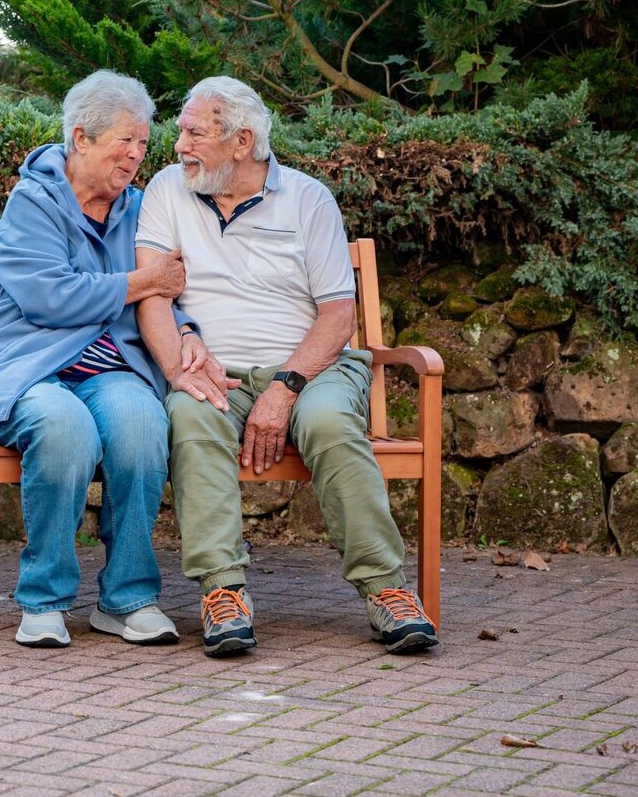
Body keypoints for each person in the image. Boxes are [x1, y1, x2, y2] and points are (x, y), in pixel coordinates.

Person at [135, 76, 439, 657]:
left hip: (312, 369)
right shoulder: (168, 191)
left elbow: (337, 315)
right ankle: (222, 591)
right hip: (215, 371)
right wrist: (178, 367)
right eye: (180, 132)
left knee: (328, 426)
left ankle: (386, 590)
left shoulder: (307, 198)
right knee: (191, 417)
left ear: (242, 141)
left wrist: (284, 388)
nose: (178, 146)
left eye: (194, 133)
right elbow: (153, 295)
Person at [0, 70, 196, 648]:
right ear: (81, 138)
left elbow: (166, 293)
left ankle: (128, 597)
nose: (137, 154)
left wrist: (187, 332)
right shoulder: (32, 202)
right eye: (124, 141)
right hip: (24, 367)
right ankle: (45, 599)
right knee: (65, 429)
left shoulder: (138, 208)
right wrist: (138, 281)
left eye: (142, 142)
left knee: (140, 423)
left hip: (105, 367)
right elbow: (49, 296)